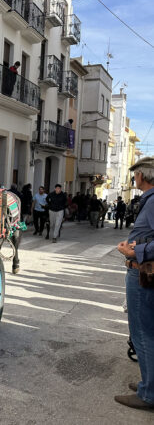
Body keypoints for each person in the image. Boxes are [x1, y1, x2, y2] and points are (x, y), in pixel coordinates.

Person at [115, 156, 154, 411]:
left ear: (142, 176)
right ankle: (147, 383)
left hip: (142, 271)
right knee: (144, 331)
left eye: (135, 175)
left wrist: (134, 253)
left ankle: (148, 393)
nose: (133, 179)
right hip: (141, 269)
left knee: (142, 332)